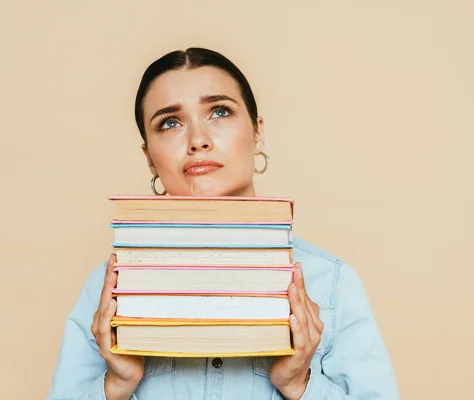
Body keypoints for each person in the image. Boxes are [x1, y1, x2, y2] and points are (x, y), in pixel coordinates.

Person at [47, 47, 400, 400]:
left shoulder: (330, 283)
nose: (197, 140)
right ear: (149, 158)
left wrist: (300, 384)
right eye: (169, 122)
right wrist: (116, 386)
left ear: (257, 132)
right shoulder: (107, 290)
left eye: (219, 111)